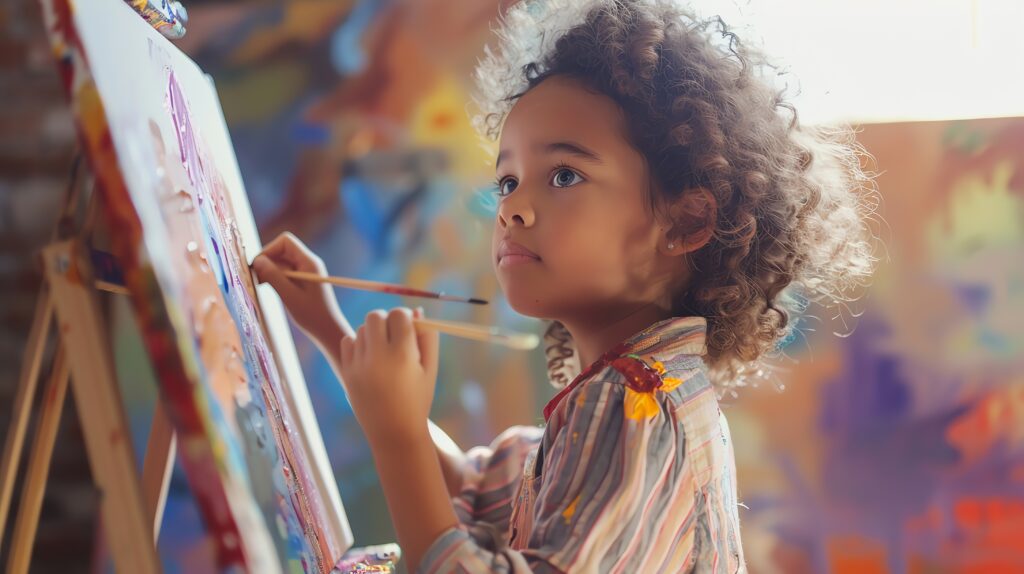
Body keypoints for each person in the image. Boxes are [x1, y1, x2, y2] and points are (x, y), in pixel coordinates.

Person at [252, 0, 877, 571]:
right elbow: (475, 490)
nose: (513, 208)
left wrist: (395, 435)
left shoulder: (635, 409)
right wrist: (333, 333)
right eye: (507, 181)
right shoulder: (613, 399)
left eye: (564, 176)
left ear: (686, 221)